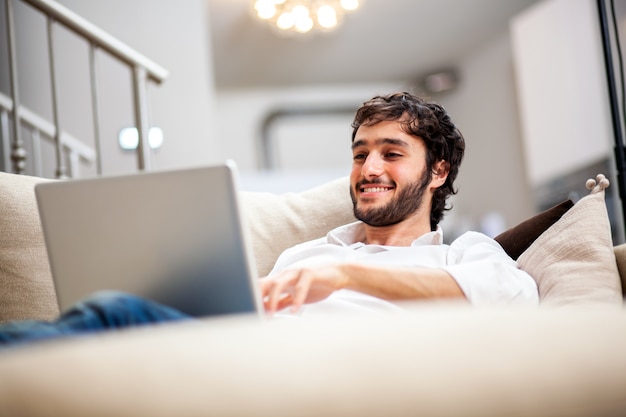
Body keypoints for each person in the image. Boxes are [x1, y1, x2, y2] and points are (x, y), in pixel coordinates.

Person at [0, 92, 538, 347]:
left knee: (112, 312)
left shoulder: (464, 253)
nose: (369, 167)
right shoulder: (306, 254)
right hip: (235, 359)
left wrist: (348, 276)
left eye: (391, 153)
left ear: (438, 171)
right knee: (113, 316)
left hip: (323, 378)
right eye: (359, 153)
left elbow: (512, 300)